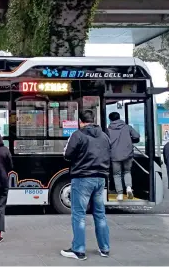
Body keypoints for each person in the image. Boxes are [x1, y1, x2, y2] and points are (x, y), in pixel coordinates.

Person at [61, 110, 111, 261]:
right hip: (100, 178)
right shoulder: (104, 136)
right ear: (94, 120)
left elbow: (68, 155)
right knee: (100, 214)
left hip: (82, 178)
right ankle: (104, 248)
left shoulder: (78, 135)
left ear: (81, 122)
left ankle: (78, 250)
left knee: (79, 215)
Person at [107, 112, 140, 200]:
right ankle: (129, 188)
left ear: (110, 119)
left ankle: (120, 194)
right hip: (128, 154)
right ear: (119, 117)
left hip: (114, 155)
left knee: (116, 174)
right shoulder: (127, 127)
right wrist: (129, 140)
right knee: (127, 172)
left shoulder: (108, 130)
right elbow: (136, 136)